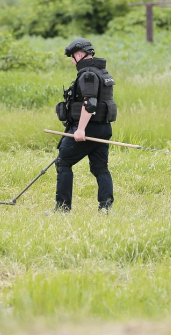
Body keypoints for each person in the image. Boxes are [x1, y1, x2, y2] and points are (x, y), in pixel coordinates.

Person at [51, 38, 117, 213]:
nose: (72, 61)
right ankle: (105, 208)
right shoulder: (102, 73)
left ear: (80, 54)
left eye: (73, 57)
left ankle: (62, 208)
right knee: (100, 168)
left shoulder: (88, 74)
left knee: (63, 162)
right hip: (103, 128)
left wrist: (80, 130)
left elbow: (90, 104)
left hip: (88, 128)